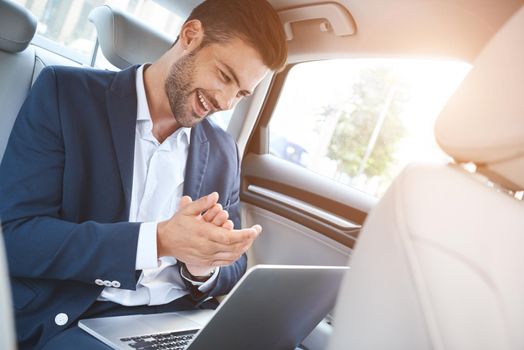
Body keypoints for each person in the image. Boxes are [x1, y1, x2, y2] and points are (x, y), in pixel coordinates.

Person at [0, 0, 287, 348]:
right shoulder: (67, 93)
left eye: (241, 93)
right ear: (190, 35)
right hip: (78, 318)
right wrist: (158, 241)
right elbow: (14, 238)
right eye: (225, 77)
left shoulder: (223, 150)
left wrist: (201, 265)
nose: (226, 102)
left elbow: (233, 265)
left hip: (180, 320)